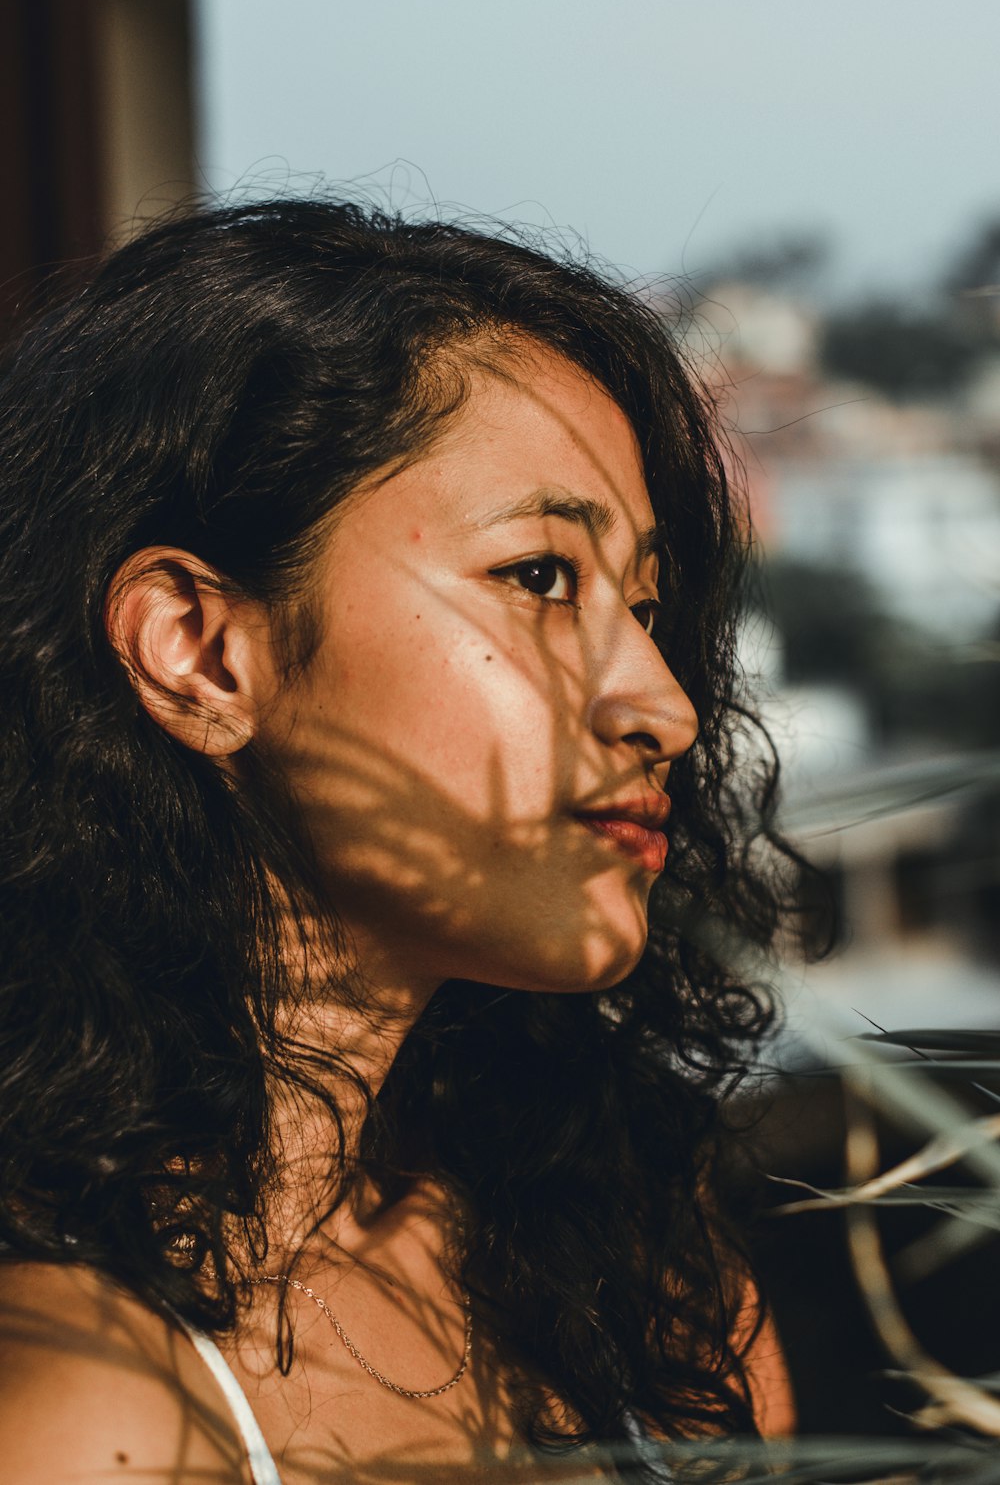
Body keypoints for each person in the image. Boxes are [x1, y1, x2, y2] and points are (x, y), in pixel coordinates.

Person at [0, 199, 797, 1483]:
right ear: (201, 651)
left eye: (645, 607)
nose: (665, 705)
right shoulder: (78, 1413)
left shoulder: (642, 1282)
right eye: (540, 577)